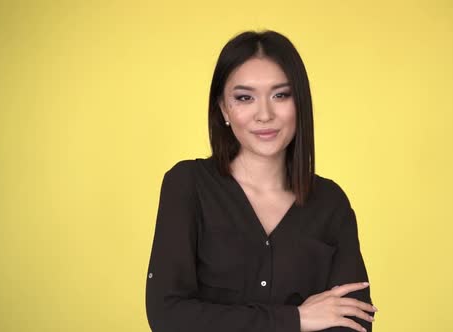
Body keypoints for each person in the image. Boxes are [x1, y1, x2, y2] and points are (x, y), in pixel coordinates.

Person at [145, 30, 376, 332]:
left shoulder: (331, 202)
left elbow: (353, 321)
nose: (264, 114)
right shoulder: (187, 185)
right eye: (244, 98)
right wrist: (297, 319)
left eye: (280, 95)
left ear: (300, 103)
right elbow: (169, 315)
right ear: (224, 108)